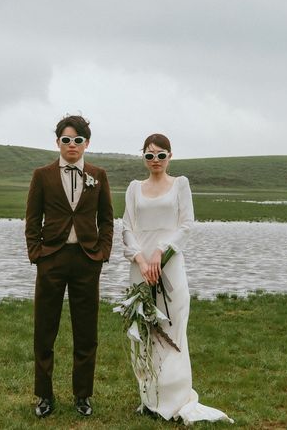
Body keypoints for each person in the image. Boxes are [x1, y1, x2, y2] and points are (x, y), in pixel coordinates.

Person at [122, 133, 234, 424]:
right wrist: (140, 259)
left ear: (170, 157)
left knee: (172, 328)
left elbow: (186, 225)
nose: (155, 160)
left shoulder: (180, 184)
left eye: (161, 155)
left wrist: (161, 252)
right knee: (144, 330)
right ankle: (150, 398)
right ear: (143, 157)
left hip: (169, 266)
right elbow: (127, 228)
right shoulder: (134, 188)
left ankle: (174, 399)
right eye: (149, 155)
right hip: (140, 268)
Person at [25, 114, 114, 418]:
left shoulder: (98, 175)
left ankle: (82, 396)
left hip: (87, 260)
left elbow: (106, 219)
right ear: (58, 143)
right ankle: (44, 395)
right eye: (66, 139)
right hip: (51, 259)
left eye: (78, 140)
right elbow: (32, 219)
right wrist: (37, 253)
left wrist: (102, 252)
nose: (72, 145)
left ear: (86, 143)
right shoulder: (42, 175)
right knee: (44, 329)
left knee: (86, 331)